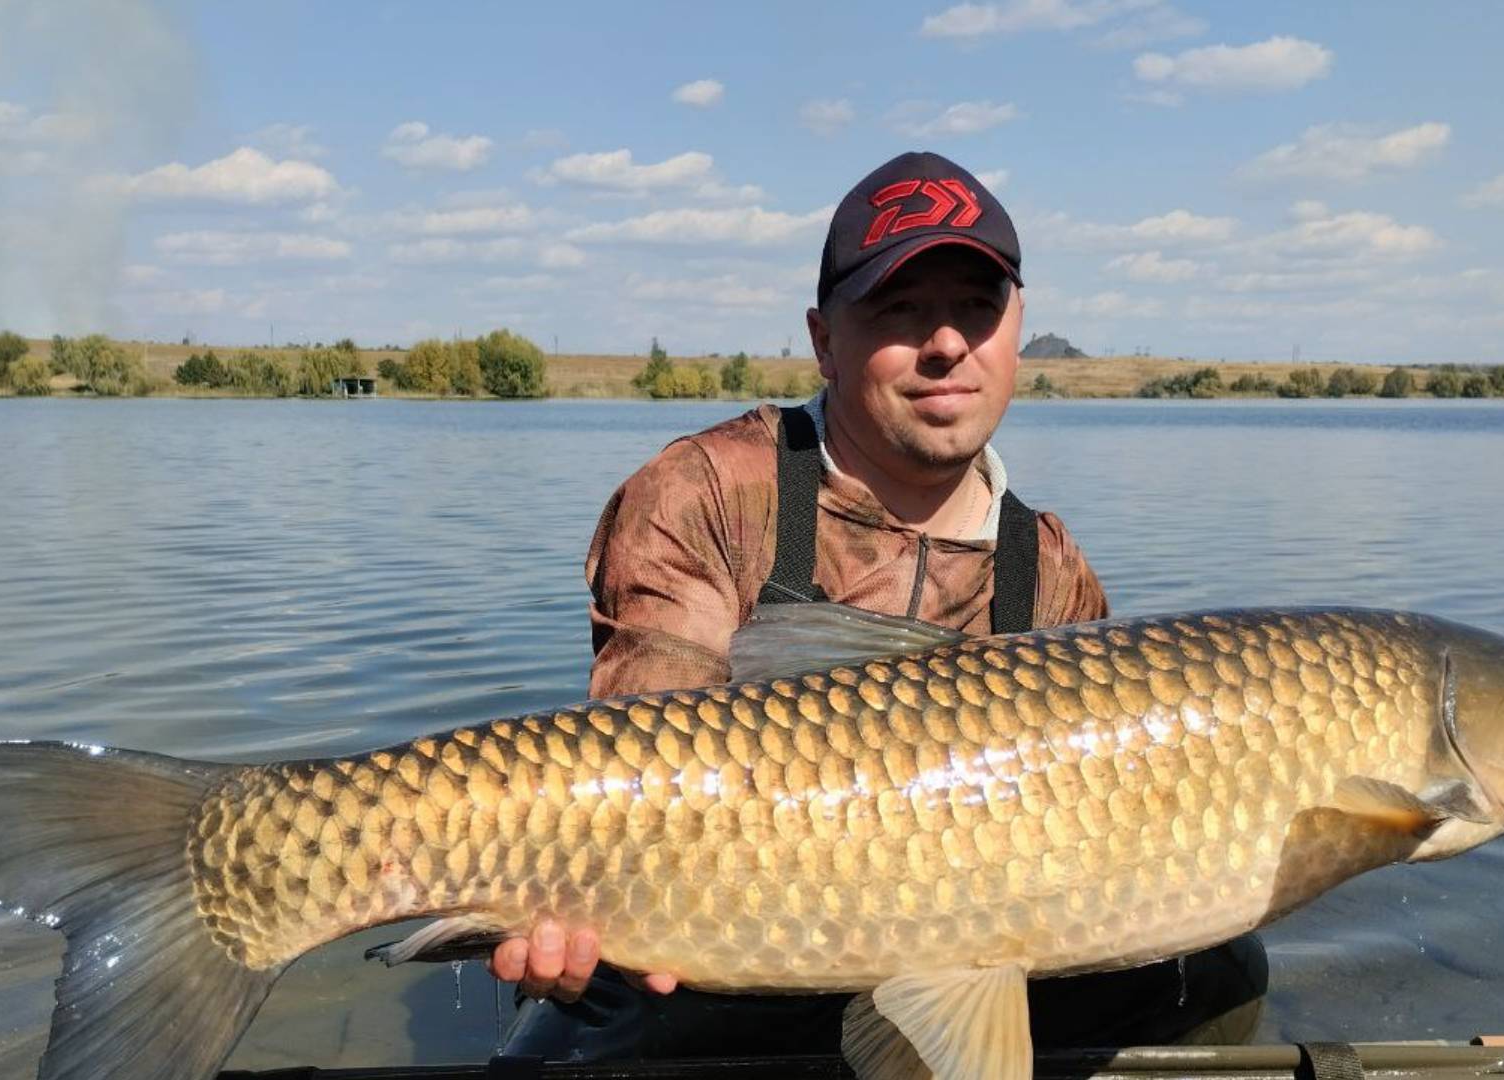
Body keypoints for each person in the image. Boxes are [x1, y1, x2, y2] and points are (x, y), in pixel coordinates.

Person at [487, 151, 1265, 1061]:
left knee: (1219, 971)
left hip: (961, 942)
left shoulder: (1046, 567)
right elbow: (643, 755)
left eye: (976, 310)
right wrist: (560, 888)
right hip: (717, 942)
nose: (946, 343)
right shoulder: (709, 492)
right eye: (901, 310)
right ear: (823, 340)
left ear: (1017, 332)